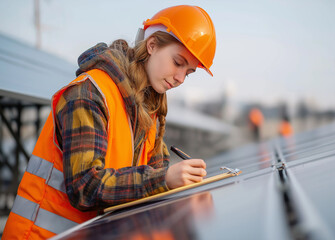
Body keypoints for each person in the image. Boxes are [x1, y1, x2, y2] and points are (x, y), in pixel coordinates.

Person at [3, 5, 216, 239]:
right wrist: (164, 179)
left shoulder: (147, 108)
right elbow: (85, 187)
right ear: (152, 45)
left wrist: (179, 183)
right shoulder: (90, 93)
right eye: (178, 62)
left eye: (188, 72)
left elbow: (154, 175)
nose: (180, 78)